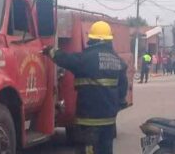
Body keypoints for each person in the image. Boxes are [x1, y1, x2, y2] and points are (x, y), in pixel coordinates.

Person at [43, 21, 128, 154]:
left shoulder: (85, 59)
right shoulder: (118, 61)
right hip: (109, 121)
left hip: (89, 121)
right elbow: (122, 90)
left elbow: (65, 59)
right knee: (106, 150)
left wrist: (50, 51)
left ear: (93, 39)